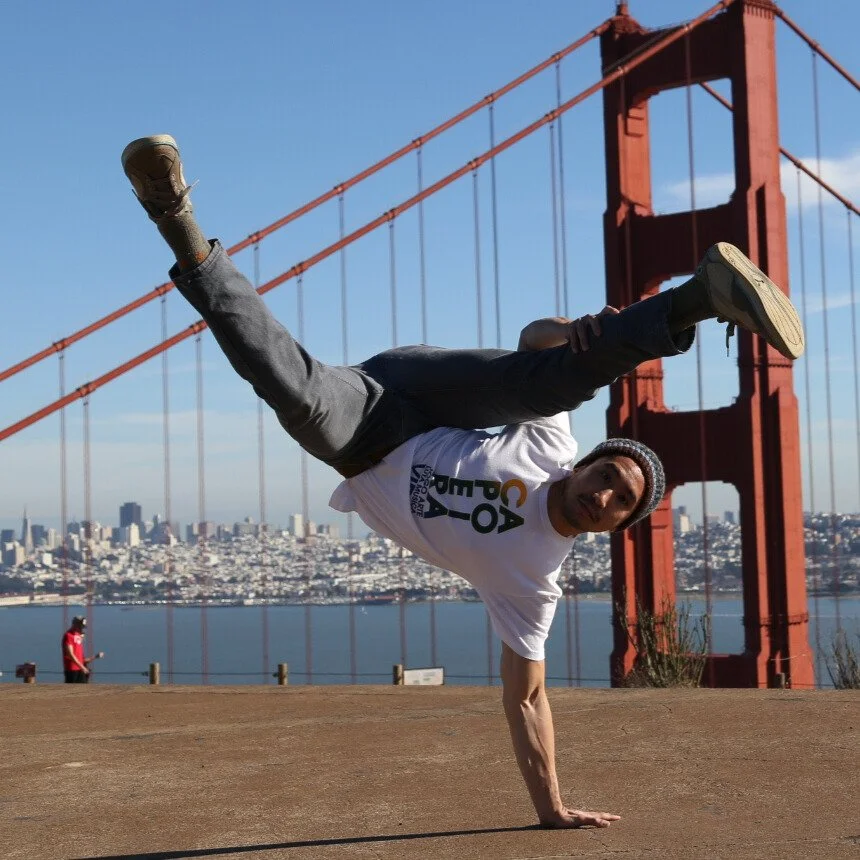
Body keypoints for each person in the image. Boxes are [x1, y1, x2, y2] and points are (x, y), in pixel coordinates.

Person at [120, 134, 805, 829]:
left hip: (364, 431)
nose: (604, 492)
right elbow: (531, 343)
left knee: (289, 388)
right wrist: (566, 331)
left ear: (616, 528)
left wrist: (552, 809)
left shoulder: (532, 580)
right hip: (429, 386)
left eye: (619, 501)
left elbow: (528, 701)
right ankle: (697, 301)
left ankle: (174, 217)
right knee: (551, 379)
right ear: (582, 465)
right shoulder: (551, 444)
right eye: (605, 474)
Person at [61, 616, 104, 683]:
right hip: (72, 670)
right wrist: (82, 667)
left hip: (80, 670)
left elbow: (82, 659)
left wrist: (95, 657)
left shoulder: (78, 636)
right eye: (81, 626)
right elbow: (70, 654)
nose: (82, 628)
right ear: (75, 624)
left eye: (83, 626)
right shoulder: (68, 636)